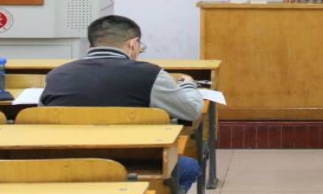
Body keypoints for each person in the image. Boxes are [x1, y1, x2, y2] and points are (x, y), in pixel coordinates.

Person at [41, 15, 203, 192]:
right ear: (133, 44)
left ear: (90, 46)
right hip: (133, 160)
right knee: (189, 167)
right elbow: (191, 111)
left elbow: (42, 120)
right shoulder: (151, 74)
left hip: (64, 162)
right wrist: (188, 85)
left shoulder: (57, 75)